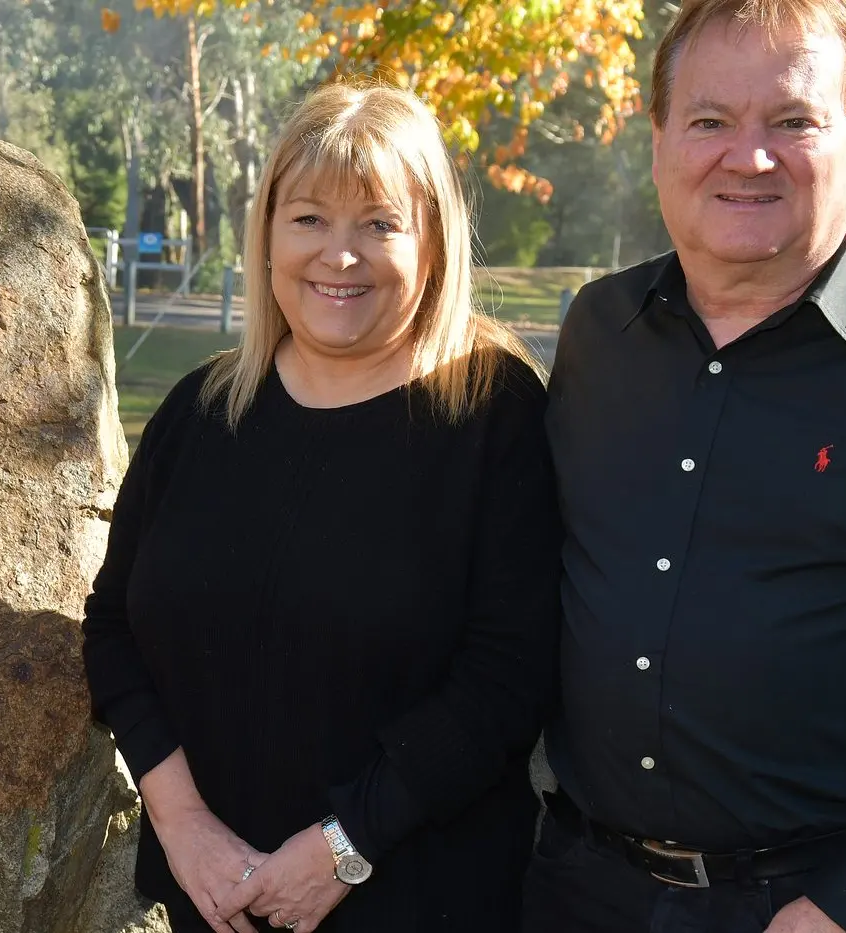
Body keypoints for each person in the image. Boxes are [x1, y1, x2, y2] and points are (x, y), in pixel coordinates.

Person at [528, 0, 846, 931]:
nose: (747, 156)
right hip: (572, 889)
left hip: (824, 905)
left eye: (793, 120)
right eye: (709, 120)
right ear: (660, 139)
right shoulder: (601, 331)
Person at [82, 80, 561, 933]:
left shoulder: (492, 412)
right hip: (216, 898)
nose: (340, 255)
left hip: (421, 901)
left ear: (434, 244)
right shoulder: (203, 411)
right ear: (267, 231)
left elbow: (508, 677)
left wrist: (347, 844)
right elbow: (114, 628)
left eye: (380, 223)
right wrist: (182, 824)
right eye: (308, 218)